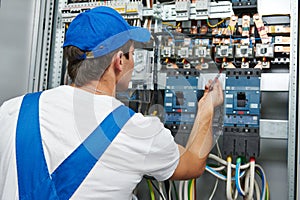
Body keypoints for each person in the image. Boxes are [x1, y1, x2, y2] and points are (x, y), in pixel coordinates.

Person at [0, 6, 223, 200]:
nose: (134, 63)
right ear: (119, 60)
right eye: (132, 54)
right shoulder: (133, 131)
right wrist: (207, 106)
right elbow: (194, 163)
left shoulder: (13, 109)